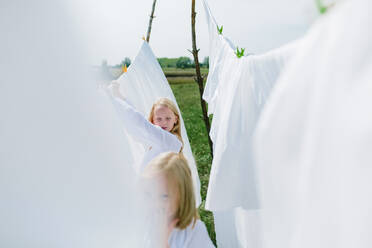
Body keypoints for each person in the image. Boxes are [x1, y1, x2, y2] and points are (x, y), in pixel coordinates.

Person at [105, 81, 183, 172]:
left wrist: (112, 99)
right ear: (153, 120)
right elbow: (140, 120)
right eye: (159, 119)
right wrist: (119, 97)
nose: (163, 123)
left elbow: (140, 122)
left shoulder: (171, 140)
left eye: (168, 118)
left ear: (176, 119)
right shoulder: (158, 139)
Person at [142, 152, 215, 248]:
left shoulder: (192, 231)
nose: (155, 203)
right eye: (148, 194)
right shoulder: (143, 224)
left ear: (182, 196)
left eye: (164, 196)